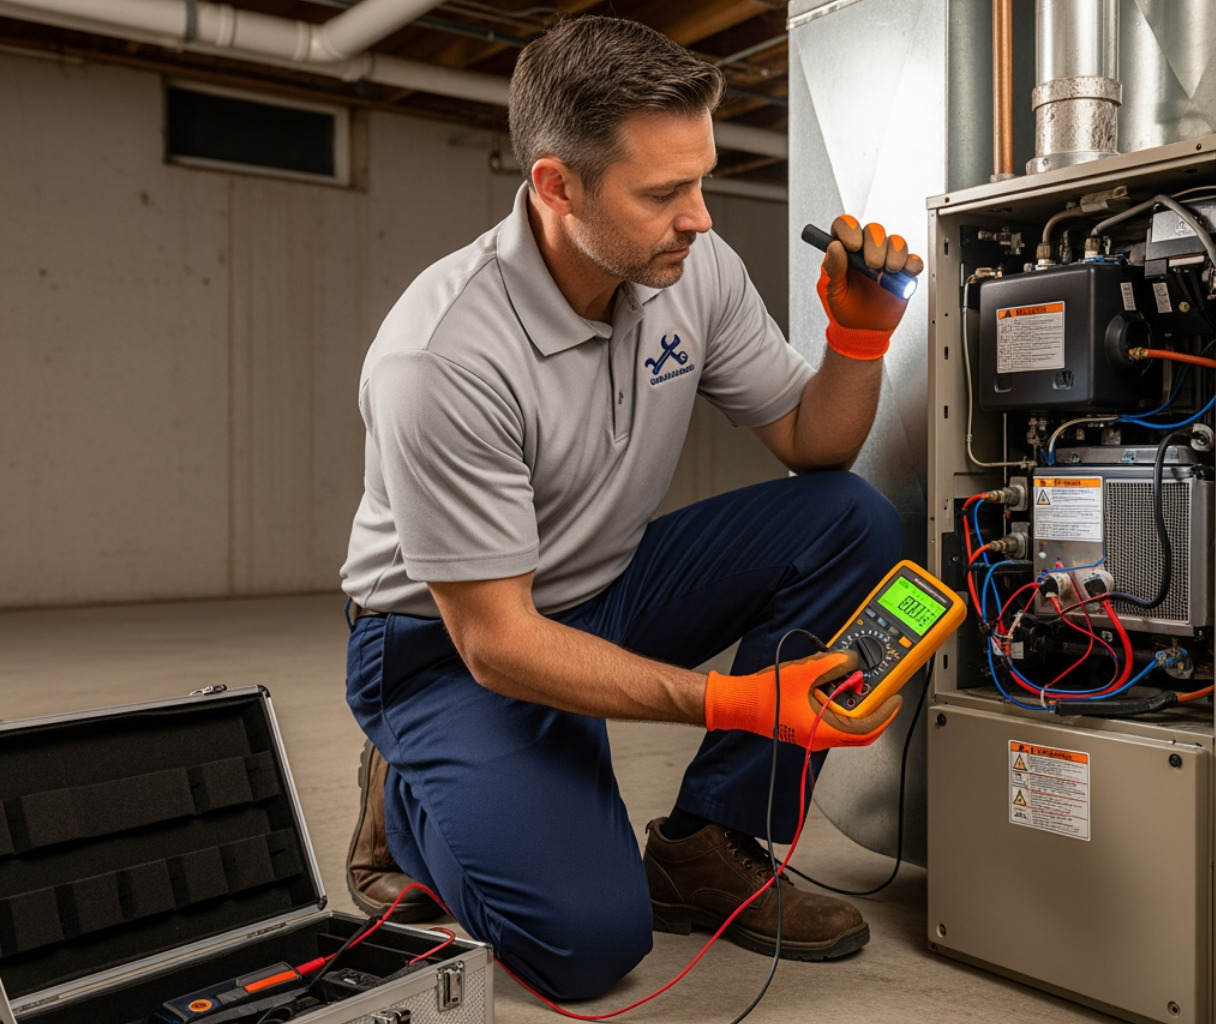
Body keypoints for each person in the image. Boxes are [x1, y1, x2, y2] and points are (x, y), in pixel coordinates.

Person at [339, 14, 923, 1001]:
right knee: (587, 945)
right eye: (664, 192)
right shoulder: (443, 358)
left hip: (599, 586)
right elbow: (500, 644)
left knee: (849, 515)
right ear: (556, 185)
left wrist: (858, 340)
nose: (699, 215)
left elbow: (813, 446)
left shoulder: (692, 270)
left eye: (701, 177)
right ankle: (407, 792)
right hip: (449, 647)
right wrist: (735, 698)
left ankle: (704, 842)